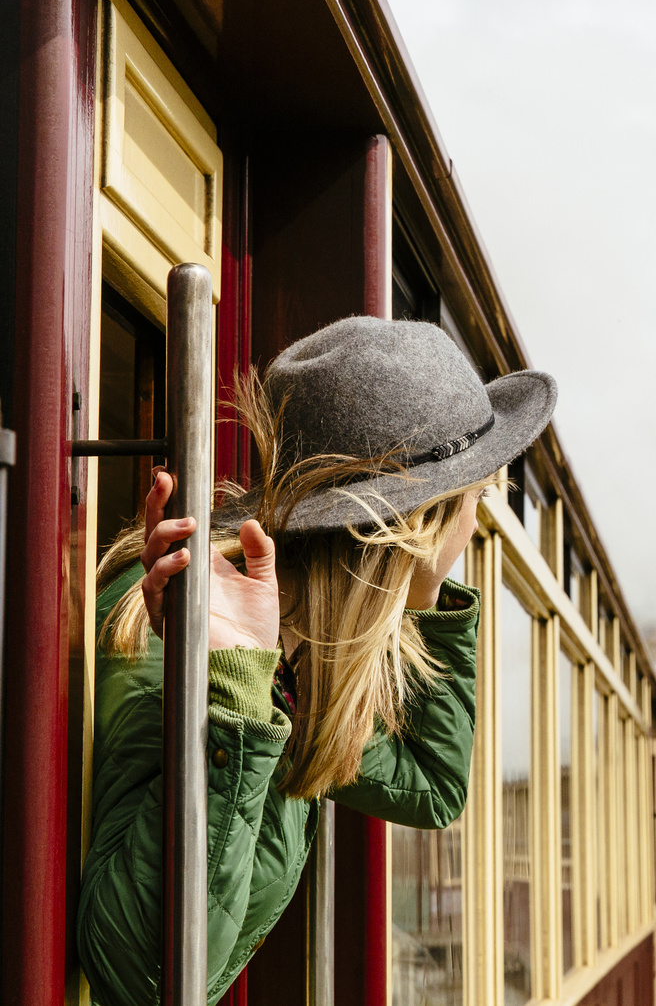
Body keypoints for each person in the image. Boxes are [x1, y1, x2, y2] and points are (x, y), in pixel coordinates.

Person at [77, 318, 557, 1006]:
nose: (475, 527)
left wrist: (428, 595)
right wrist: (234, 697)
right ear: (417, 526)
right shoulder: (186, 635)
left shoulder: (296, 652)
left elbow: (432, 783)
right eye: (473, 501)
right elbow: (141, 979)